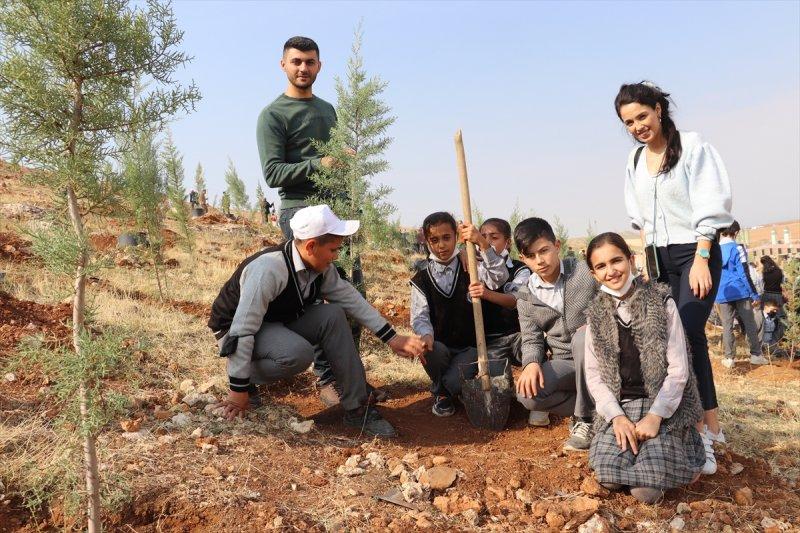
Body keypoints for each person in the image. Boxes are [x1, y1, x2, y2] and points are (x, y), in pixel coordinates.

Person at [207, 205, 426, 438]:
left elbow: (352, 300)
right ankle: (242, 376)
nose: (335, 256)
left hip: (276, 322)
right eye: (333, 249)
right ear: (311, 246)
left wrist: (392, 338)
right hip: (235, 331)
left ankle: (356, 408)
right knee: (298, 353)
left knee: (332, 314)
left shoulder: (321, 269)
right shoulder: (269, 269)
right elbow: (243, 329)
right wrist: (238, 391)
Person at [617, 81, 733, 473]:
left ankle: (702, 433)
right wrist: (647, 264)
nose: (637, 126)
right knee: (671, 337)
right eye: (629, 122)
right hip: (658, 258)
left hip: (695, 251)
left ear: (659, 110)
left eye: (642, 116)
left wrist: (702, 258)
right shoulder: (635, 160)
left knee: (687, 331)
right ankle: (708, 426)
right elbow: (643, 220)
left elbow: (711, 203)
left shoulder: (693, 146)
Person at [583, 232, 705, 503]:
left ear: (631, 259)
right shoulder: (595, 315)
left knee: (646, 491)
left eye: (617, 261)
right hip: (622, 407)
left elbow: (678, 370)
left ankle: (686, 454)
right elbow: (594, 376)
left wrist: (655, 416)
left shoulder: (662, 303)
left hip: (661, 406)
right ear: (593, 274)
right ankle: (639, 461)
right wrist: (616, 417)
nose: (611, 271)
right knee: (607, 475)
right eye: (601, 266)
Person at [410, 212, 508, 417]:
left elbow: (498, 278)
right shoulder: (421, 279)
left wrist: (481, 242)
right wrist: (425, 335)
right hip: (441, 348)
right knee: (431, 350)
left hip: (470, 349)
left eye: (447, 238)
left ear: (456, 236)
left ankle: (445, 391)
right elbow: (420, 315)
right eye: (434, 240)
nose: (441, 246)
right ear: (427, 241)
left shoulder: (471, 265)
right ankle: (446, 392)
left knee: (455, 380)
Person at [513, 217, 598, 451]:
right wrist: (530, 363)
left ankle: (586, 419)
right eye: (531, 256)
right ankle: (596, 411)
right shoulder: (526, 296)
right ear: (523, 259)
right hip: (566, 362)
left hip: (602, 358)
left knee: (583, 336)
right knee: (527, 395)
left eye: (544, 251)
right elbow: (530, 338)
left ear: (557, 246)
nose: (540, 261)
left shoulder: (584, 271)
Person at [257, 36, 338, 240]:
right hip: (299, 208)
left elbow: (335, 160)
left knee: (349, 271)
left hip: (336, 206)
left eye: (310, 62)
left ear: (319, 66)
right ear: (283, 65)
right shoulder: (273, 114)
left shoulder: (328, 109)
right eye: (296, 62)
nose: (303, 68)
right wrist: (319, 164)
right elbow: (273, 174)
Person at [466, 218, 531, 366]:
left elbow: (515, 300)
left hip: (518, 335)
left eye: (494, 238)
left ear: (508, 243)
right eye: (482, 237)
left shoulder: (521, 269)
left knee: (534, 362)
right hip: (488, 341)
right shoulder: (474, 268)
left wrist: (486, 294)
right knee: (496, 381)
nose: (487, 242)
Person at [715, 221, 767, 368]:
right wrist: (754, 294)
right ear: (736, 232)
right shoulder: (738, 248)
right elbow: (744, 273)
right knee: (749, 322)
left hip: (722, 292)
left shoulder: (715, 250)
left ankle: (729, 358)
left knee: (727, 325)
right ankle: (756, 355)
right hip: (740, 291)